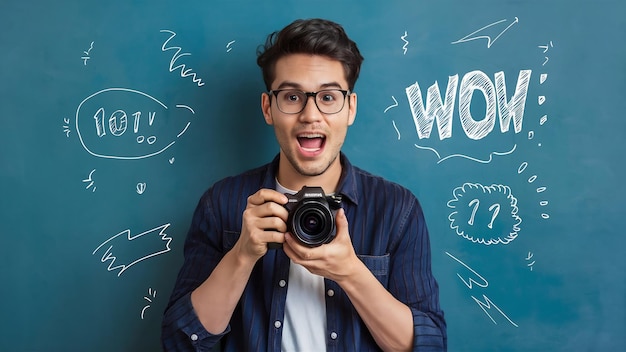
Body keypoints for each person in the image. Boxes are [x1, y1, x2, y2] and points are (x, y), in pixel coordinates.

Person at [161, 18, 446, 351]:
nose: (311, 115)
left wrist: (350, 272)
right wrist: (241, 255)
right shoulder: (222, 203)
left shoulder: (396, 209)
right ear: (268, 108)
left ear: (350, 108)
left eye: (328, 97)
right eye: (292, 97)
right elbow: (180, 342)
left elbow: (429, 345)